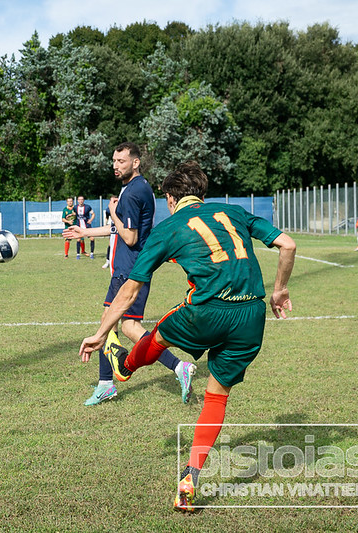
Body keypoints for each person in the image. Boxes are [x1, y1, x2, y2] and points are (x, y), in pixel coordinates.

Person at [77, 161, 296, 511]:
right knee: (217, 396)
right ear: (202, 194)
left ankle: (125, 367)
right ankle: (190, 476)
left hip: (206, 310)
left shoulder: (170, 226)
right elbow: (287, 245)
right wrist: (280, 290)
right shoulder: (234, 211)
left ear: (169, 198)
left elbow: (130, 290)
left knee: (159, 334)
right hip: (251, 315)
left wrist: (101, 332)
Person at [64, 142, 196, 406]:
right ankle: (107, 384)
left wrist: (113, 212)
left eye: (121, 161)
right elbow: (120, 229)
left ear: (136, 162)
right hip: (128, 267)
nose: (116, 165)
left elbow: (131, 237)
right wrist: (86, 232)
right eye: (114, 161)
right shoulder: (134, 188)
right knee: (113, 322)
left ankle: (177, 367)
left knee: (125, 326)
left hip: (130, 269)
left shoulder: (135, 191)